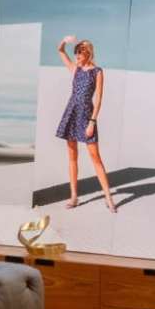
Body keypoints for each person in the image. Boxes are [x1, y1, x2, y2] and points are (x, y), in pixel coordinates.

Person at [52, 35, 118, 211]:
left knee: (95, 157)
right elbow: (60, 50)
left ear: (88, 54)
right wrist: (65, 41)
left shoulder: (97, 72)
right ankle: (74, 196)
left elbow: (99, 99)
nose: (77, 57)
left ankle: (108, 198)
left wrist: (92, 122)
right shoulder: (75, 69)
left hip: (87, 116)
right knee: (72, 156)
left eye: (80, 54)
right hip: (72, 113)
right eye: (76, 54)